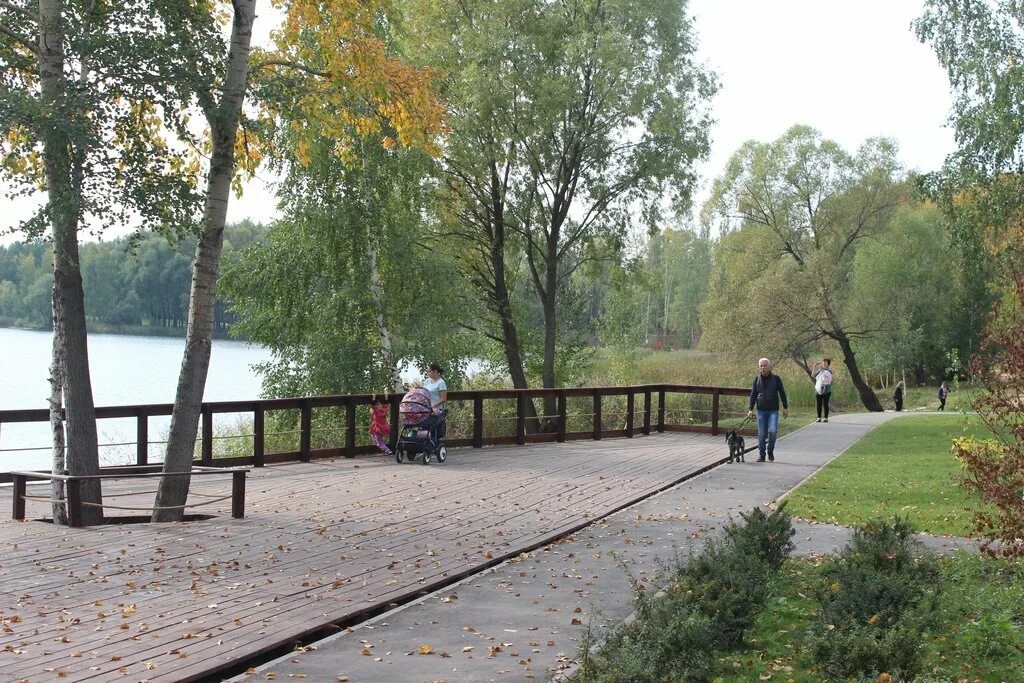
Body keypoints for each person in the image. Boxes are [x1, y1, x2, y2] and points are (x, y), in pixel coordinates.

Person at [746, 358, 788, 462]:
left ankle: (770, 450)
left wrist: (785, 407)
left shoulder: (776, 379)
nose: (763, 367)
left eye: (764, 365)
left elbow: (782, 393)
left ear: (769, 367)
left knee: (773, 431)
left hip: (773, 410)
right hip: (761, 410)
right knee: (762, 434)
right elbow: (753, 395)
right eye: (761, 366)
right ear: (758, 367)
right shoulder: (756, 380)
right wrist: (750, 409)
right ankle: (762, 455)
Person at [421, 362, 448, 438]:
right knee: (423, 427)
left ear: (435, 371)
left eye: (429, 371)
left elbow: (443, 399)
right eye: (427, 371)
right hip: (425, 409)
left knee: (432, 428)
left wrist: (433, 406)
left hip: (435, 410)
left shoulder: (441, 383)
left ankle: (432, 442)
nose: (428, 373)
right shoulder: (427, 381)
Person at [812, 358, 833, 423]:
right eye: (823, 362)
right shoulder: (819, 370)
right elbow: (813, 375)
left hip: (827, 391)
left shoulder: (829, 371)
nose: (824, 364)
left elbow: (828, 378)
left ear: (828, 364)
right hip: (818, 390)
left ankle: (826, 418)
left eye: (825, 363)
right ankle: (819, 418)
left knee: (825, 404)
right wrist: (814, 367)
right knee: (819, 404)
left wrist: (822, 369)